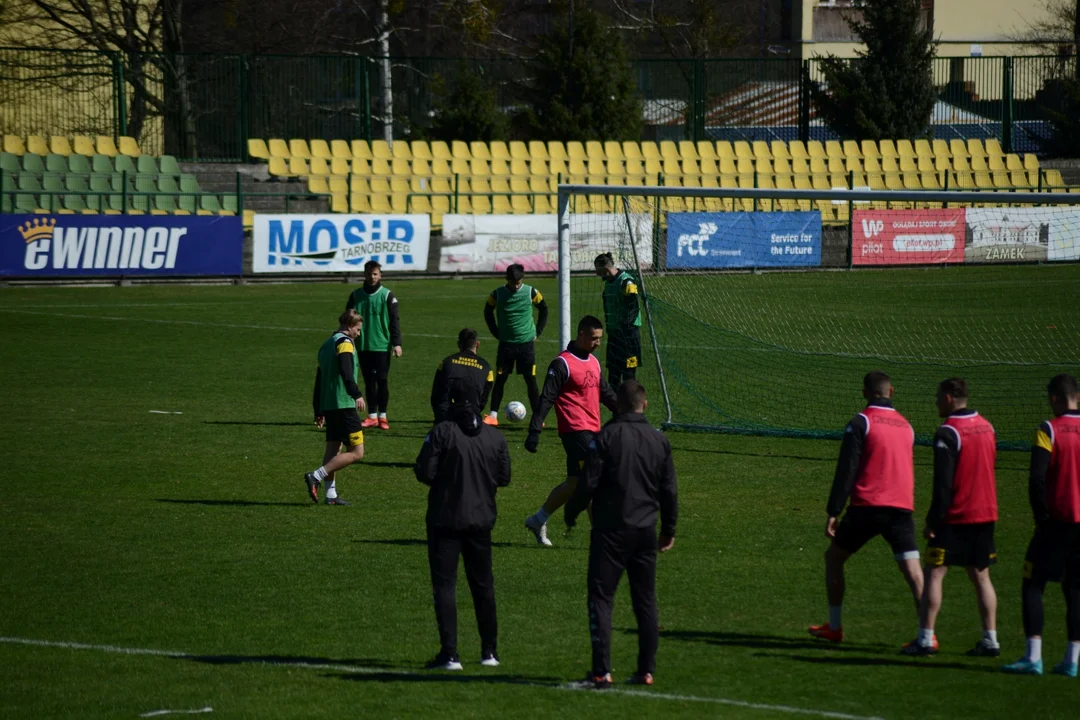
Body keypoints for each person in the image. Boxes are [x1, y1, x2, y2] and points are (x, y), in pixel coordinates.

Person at [565, 380, 677, 689]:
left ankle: (602, 671)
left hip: (610, 531)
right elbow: (669, 490)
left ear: (618, 405)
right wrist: (669, 529)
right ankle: (646, 670)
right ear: (645, 404)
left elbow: (587, 482)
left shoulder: (606, 437)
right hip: (644, 531)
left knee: (601, 599)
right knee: (645, 601)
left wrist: (572, 513)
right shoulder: (659, 440)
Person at [809, 371, 923, 642]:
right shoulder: (907, 426)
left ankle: (834, 627)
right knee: (914, 573)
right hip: (901, 508)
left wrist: (833, 511)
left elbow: (847, 469)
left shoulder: (861, 422)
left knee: (834, 558)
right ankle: (927, 635)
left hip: (867, 507)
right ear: (891, 392)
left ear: (864, 393)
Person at [903, 378, 1000, 657]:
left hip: (956, 515)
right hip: (986, 513)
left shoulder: (948, 432)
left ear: (948, 397)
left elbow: (943, 484)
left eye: (937, 396)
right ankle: (990, 638)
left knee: (935, 573)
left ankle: (925, 638)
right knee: (981, 576)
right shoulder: (988, 427)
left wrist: (934, 520)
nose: (935, 401)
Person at [415, 401, 511, 671]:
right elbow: (504, 477)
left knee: (445, 586)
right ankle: (489, 651)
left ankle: (450, 653)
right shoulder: (495, 437)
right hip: (481, 519)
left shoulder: (443, 432)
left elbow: (424, 471)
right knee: (483, 585)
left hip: (445, 519)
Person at [1002, 373, 1080, 677]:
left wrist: (1041, 518)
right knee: (1075, 590)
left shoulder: (1049, 429)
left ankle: (1033, 656)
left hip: (1056, 523)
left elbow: (1037, 478)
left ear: (1054, 398)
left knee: (1032, 584)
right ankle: (1072, 661)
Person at [523, 315, 618, 546]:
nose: (598, 343)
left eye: (600, 339)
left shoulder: (594, 362)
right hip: (574, 430)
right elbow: (547, 398)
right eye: (594, 338)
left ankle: (538, 520)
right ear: (582, 335)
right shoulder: (562, 363)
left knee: (574, 483)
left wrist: (627, 413)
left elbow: (605, 392)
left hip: (592, 430)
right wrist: (535, 430)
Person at [305, 310, 367, 506]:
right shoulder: (345, 344)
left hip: (329, 404)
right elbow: (346, 370)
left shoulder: (325, 345)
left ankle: (330, 495)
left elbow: (319, 379)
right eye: (357, 329)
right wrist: (356, 393)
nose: (359, 333)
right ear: (349, 326)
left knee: (334, 448)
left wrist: (318, 409)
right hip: (344, 404)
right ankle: (316, 475)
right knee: (357, 452)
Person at [483, 263, 548, 426]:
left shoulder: (531, 292)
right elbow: (487, 311)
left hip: (526, 345)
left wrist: (537, 332)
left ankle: (537, 418)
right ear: (507, 279)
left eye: (518, 282)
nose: (515, 285)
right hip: (506, 345)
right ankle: (493, 416)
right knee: (500, 379)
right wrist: (495, 331)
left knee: (531, 380)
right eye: (512, 282)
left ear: (522, 279)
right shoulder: (497, 294)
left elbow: (544, 309)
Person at [345, 260, 402, 430]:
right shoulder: (355, 295)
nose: (372, 277)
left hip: (382, 346)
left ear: (380, 275)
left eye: (375, 274)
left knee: (382, 381)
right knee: (369, 381)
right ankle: (371, 416)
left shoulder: (387, 295)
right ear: (364, 274)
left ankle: (383, 416)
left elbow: (394, 321)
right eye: (369, 273)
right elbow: (346, 320)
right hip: (362, 346)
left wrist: (396, 343)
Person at [593, 253, 642, 390]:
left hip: (629, 338)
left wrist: (624, 328)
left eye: (598, 270)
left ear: (606, 268)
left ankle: (631, 409)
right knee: (613, 377)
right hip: (614, 337)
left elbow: (634, 308)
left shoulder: (627, 282)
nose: (597, 274)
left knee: (629, 377)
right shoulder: (608, 285)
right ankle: (617, 410)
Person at [431, 328, 494, 425]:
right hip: (471, 418)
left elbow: (436, 394)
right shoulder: (486, 368)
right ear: (477, 344)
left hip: (444, 417)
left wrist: (439, 414)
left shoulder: (446, 362)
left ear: (458, 344)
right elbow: (482, 401)